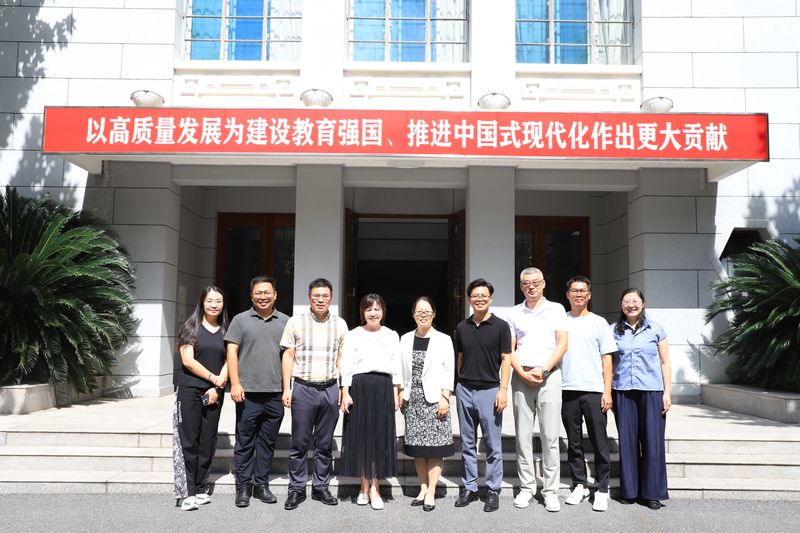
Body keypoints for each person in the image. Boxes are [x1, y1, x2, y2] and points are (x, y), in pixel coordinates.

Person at [280, 278, 349, 510]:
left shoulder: (340, 324)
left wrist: (343, 388)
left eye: (325, 296)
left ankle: (320, 487)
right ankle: (296, 489)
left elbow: (342, 359)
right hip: (303, 388)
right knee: (299, 442)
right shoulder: (295, 322)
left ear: (331, 298)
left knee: (325, 443)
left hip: (330, 388)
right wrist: (287, 388)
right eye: (316, 296)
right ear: (309, 297)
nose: (321, 300)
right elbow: (288, 356)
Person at [506, 267, 568, 513]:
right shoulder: (513, 312)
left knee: (550, 437)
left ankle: (550, 491)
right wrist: (522, 373)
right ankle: (527, 488)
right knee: (523, 437)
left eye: (535, 282)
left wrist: (544, 369)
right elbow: (510, 348)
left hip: (549, 376)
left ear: (543, 284)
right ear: (521, 286)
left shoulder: (557, 309)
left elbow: (562, 344)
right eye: (526, 283)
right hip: (521, 376)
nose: (531, 286)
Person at [225, 275, 289, 508]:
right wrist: (235, 383)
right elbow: (231, 352)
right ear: (251, 295)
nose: (263, 296)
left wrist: (287, 388)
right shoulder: (240, 320)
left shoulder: (286, 321)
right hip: (247, 393)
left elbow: (289, 357)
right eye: (258, 293)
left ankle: (261, 485)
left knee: (267, 443)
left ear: (275, 295)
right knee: (244, 442)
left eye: (267, 292)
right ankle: (243, 487)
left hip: (275, 393)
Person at [339, 294, 403, 510]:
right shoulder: (353, 335)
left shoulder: (391, 335)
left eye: (377, 309)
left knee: (378, 438)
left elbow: (396, 365)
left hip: (383, 387)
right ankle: (363, 486)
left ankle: (375, 487)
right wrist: (345, 391)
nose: (373, 313)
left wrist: (396, 392)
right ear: (363, 312)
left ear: (383, 311)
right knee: (361, 438)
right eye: (369, 309)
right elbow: (346, 364)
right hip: (359, 387)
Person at [453, 278, 511, 513]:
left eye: (484, 295)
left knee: (492, 444)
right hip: (465, 390)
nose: (480, 299)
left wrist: (503, 390)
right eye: (475, 295)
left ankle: (493, 490)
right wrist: (460, 383)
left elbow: (506, 359)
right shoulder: (461, 327)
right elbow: (460, 357)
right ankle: (470, 487)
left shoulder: (501, 326)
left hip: (490, 391)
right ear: (469, 299)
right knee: (467, 443)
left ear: (490, 298)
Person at [611, 288, 672, 510]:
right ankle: (629, 491)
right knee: (627, 443)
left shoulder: (656, 329)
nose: (631, 305)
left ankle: (652, 493)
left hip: (651, 391)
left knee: (653, 443)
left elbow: (665, 362)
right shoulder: (612, 331)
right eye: (626, 301)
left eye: (635, 301)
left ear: (643, 303)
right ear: (621, 305)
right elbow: (609, 363)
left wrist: (667, 393)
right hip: (623, 391)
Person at [560, 275, 617, 512]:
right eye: (574, 290)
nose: (578, 294)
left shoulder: (599, 323)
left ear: (589, 295)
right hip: (567, 389)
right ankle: (580, 485)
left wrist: (607, 391)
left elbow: (607, 359)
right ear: (567, 295)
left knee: (599, 441)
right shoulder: (561, 321)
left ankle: (602, 488)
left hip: (594, 390)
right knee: (573, 442)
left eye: (583, 290)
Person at [173, 286, 229, 511]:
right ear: (202, 303)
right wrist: (213, 379)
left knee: (208, 440)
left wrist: (218, 385)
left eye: (218, 301)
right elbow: (188, 361)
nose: (214, 305)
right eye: (210, 301)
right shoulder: (191, 327)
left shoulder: (226, 330)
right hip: (190, 391)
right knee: (189, 440)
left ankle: (200, 487)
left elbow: (230, 360)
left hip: (215, 392)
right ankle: (186, 492)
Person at [400, 296, 455, 512]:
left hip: (435, 400)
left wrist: (445, 396)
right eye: (419, 311)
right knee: (418, 448)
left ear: (434, 314)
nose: (423, 315)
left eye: (427, 311)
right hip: (412, 399)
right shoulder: (405, 339)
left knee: (435, 448)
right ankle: (422, 488)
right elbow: (401, 370)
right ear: (413, 314)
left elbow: (449, 370)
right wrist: (401, 393)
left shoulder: (443, 339)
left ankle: (431, 490)